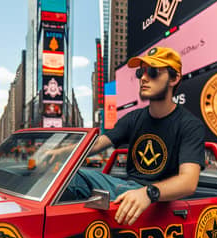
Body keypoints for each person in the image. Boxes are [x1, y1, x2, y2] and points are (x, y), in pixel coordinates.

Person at [48, 47, 205, 226]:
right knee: (62, 178)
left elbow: (188, 182)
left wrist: (147, 193)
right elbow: (99, 143)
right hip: (126, 188)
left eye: (153, 72)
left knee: (70, 184)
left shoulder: (190, 125)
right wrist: (61, 153)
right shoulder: (134, 118)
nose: (144, 78)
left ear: (174, 78)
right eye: (141, 72)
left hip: (159, 200)